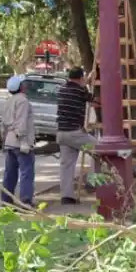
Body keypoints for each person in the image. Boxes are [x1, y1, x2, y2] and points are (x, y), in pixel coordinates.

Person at [54, 66, 95, 204]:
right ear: (81, 78)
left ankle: (66, 196)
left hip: (61, 132)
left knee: (66, 165)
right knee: (100, 150)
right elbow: (93, 100)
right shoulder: (80, 90)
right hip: (75, 133)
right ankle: (92, 181)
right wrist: (88, 84)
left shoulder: (61, 89)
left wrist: (85, 83)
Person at [0, 75, 35, 206]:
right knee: (26, 172)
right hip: (20, 141)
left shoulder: (9, 101)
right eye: (24, 84)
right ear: (20, 87)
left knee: (10, 173)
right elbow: (21, 122)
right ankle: (26, 201)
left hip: (9, 141)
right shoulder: (23, 101)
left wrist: (4, 140)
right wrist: (24, 140)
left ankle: (6, 201)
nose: (26, 86)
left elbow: (3, 124)